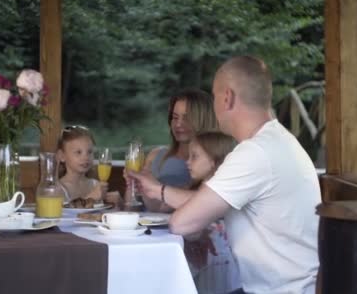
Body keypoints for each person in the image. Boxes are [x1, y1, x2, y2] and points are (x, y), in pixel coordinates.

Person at [130, 56, 321, 294]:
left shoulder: (254, 153)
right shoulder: (278, 141)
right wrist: (157, 190)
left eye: (214, 96)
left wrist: (160, 191)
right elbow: (210, 203)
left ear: (227, 98)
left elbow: (182, 222)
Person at [138, 88, 218, 212]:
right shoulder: (155, 155)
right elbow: (151, 209)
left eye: (186, 118)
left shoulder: (215, 162)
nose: (178, 124)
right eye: (175, 118)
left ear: (203, 120)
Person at [183, 131, 241, 294]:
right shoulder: (196, 190)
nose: (187, 162)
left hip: (221, 272)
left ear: (215, 162)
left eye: (194, 156)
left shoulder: (222, 195)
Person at [56, 125, 103, 202]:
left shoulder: (95, 185)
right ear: (61, 156)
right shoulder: (57, 189)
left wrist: (116, 203)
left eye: (89, 152)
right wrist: (90, 199)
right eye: (78, 152)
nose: (85, 158)